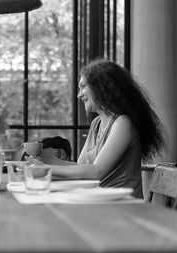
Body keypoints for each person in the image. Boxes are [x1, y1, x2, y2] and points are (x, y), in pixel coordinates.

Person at [37, 58, 165, 198]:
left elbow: (96, 172)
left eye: (83, 86)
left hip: (123, 206)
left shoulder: (123, 123)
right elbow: (80, 168)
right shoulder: (96, 123)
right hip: (99, 201)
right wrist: (44, 159)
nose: (79, 95)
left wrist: (46, 169)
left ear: (102, 87)